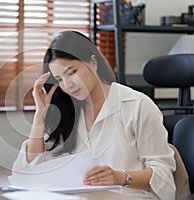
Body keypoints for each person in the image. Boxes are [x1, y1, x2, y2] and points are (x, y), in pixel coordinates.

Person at [12, 30, 176, 199]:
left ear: (93, 62)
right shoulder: (69, 114)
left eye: (71, 72)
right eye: (59, 79)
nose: (67, 85)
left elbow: (163, 175)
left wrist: (121, 177)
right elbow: (30, 169)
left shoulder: (137, 105)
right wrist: (40, 113)